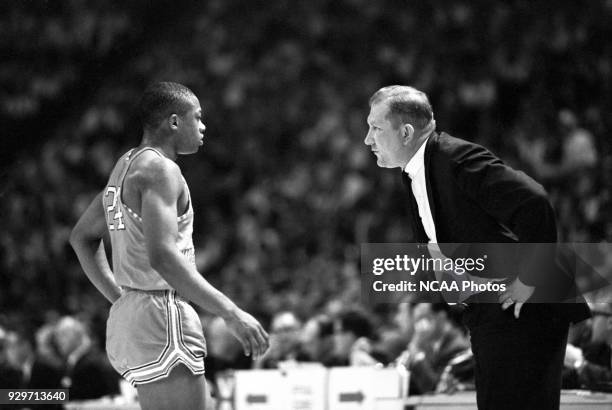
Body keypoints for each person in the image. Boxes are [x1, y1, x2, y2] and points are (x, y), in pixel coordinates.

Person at [364, 85, 590, 409]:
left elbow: (534, 201)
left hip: (524, 307)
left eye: (375, 128)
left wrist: (529, 279)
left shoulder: (454, 158)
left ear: (406, 132)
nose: (367, 139)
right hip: (493, 311)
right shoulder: (418, 170)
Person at [70, 82, 269, 410]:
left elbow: (81, 237)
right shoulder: (161, 169)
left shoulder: (126, 164)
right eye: (198, 117)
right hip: (162, 316)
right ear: (174, 122)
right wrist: (230, 312)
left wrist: (123, 298)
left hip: (133, 317)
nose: (203, 127)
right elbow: (162, 256)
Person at [52, 316, 119, 400]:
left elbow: (81, 395)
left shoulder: (91, 362)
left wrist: (35, 397)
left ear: (76, 335)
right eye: (57, 336)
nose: (58, 340)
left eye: (63, 335)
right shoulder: (71, 361)